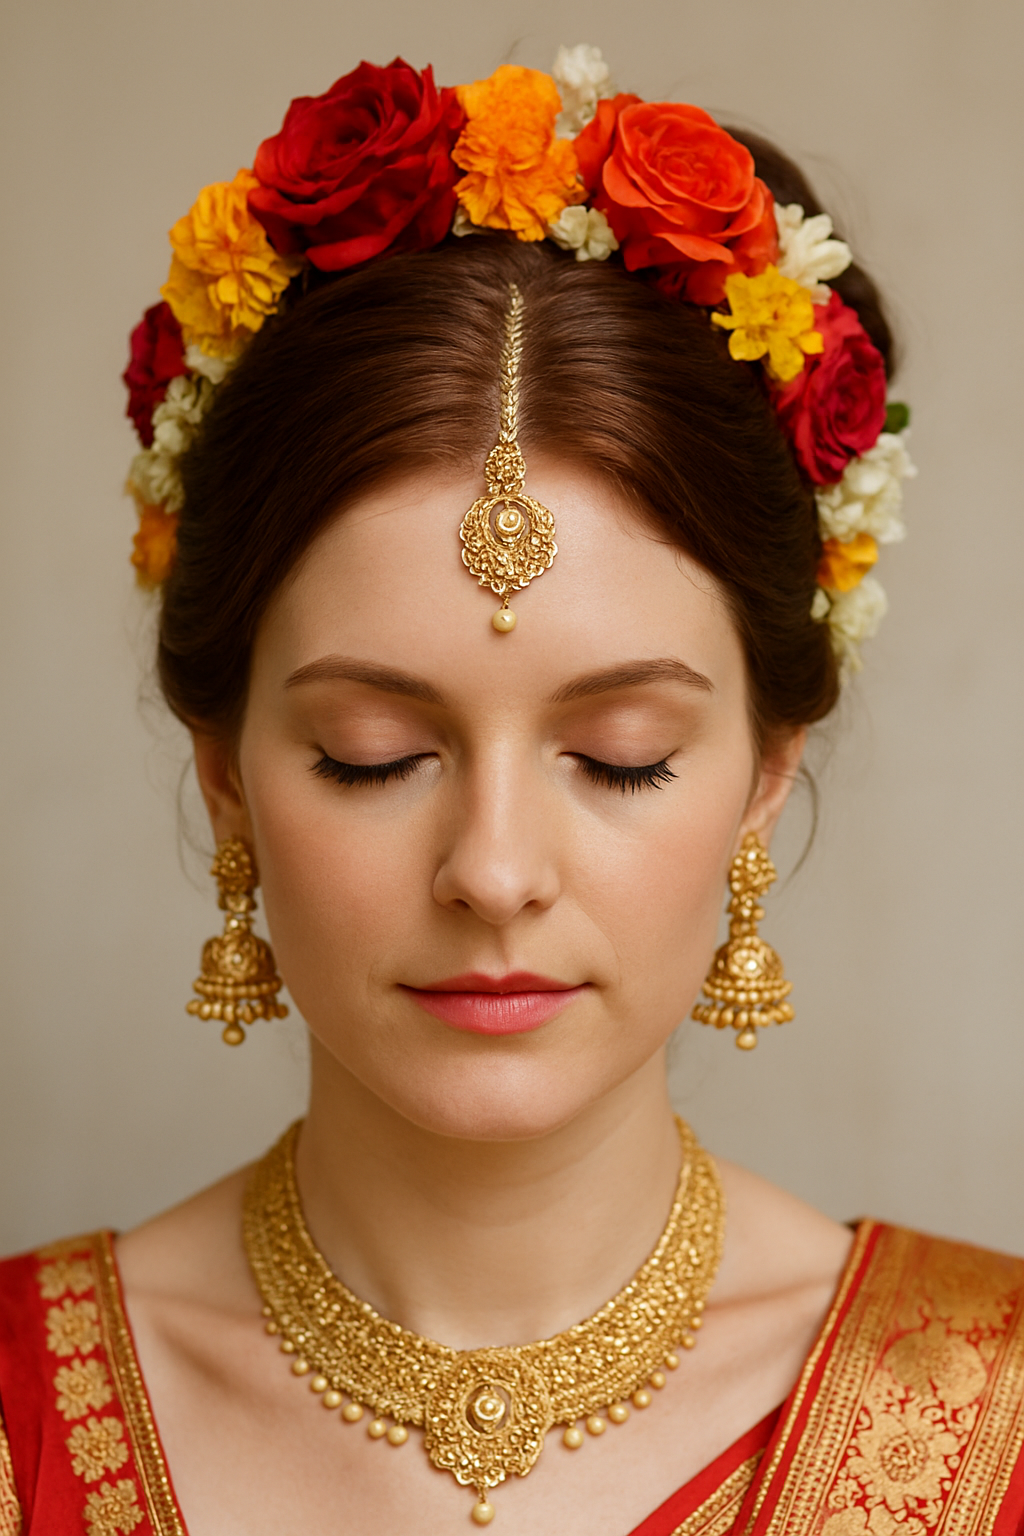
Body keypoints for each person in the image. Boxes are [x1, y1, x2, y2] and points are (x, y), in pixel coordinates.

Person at [1, 46, 1021, 1536]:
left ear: (763, 775)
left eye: (621, 757)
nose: (492, 870)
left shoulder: (986, 1411)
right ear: (225, 772)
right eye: (371, 754)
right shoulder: (23, 1427)